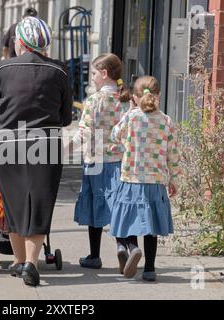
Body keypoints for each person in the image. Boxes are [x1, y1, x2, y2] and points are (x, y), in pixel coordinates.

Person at [0, 16, 72, 286]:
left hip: (7, 143)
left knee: (13, 204)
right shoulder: (59, 71)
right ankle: (31, 264)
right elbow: (67, 116)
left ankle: (18, 260)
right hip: (45, 142)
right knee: (39, 203)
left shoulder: (2, 70)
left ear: (21, 42)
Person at [110, 76, 181, 281]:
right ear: (158, 95)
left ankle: (131, 248)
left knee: (128, 219)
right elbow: (173, 155)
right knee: (152, 228)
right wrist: (174, 180)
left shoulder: (131, 117)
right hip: (156, 182)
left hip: (131, 179)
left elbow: (115, 135)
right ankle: (149, 269)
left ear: (135, 96)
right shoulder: (167, 121)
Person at [69, 53, 131, 270]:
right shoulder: (126, 101)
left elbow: (84, 133)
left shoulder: (94, 101)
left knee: (95, 208)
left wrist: (65, 149)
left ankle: (94, 256)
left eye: (94, 73)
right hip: (120, 162)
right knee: (119, 207)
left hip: (95, 161)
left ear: (104, 74)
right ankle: (123, 247)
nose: (92, 78)